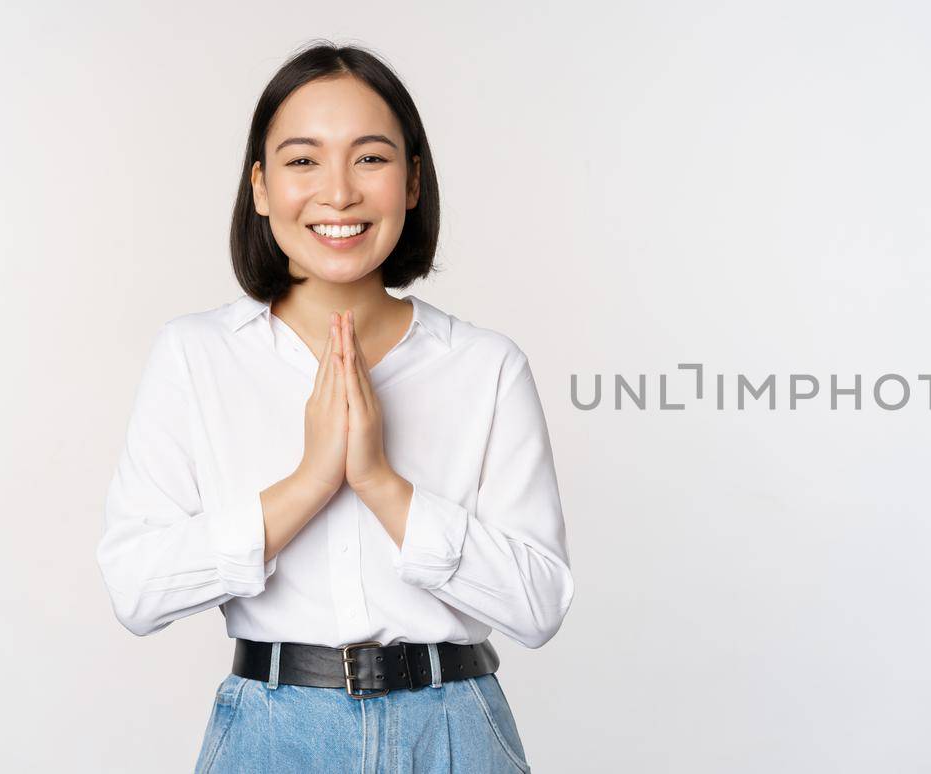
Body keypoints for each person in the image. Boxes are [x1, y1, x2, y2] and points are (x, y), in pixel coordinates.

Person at [94, 41, 574, 773]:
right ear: (259, 186)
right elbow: (137, 589)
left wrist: (383, 484)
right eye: (303, 160)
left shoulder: (485, 367)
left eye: (371, 158)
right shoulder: (196, 356)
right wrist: (309, 484)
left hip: (454, 730)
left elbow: (539, 605)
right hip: (271, 730)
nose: (340, 192)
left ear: (412, 182)